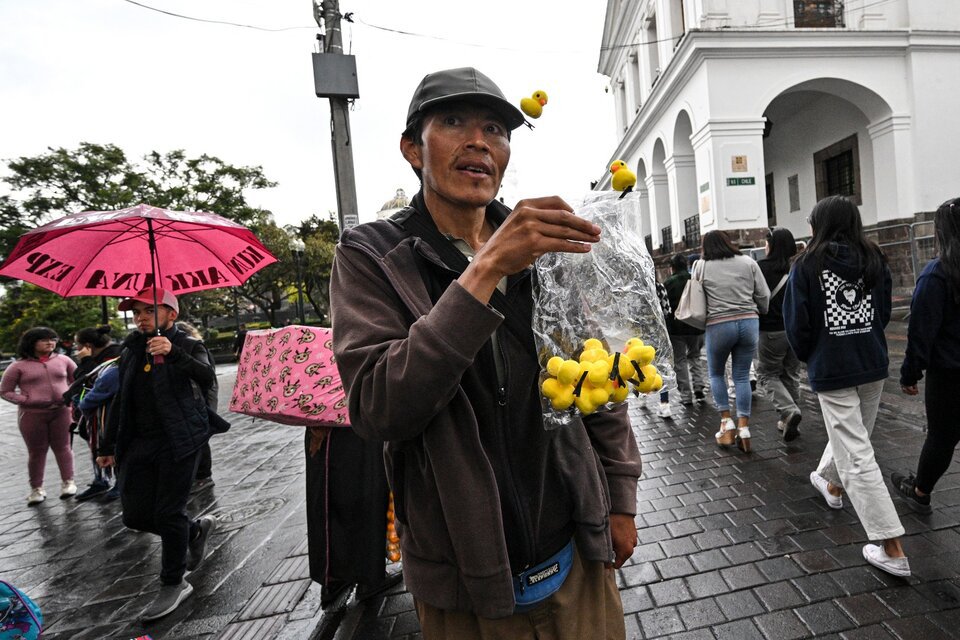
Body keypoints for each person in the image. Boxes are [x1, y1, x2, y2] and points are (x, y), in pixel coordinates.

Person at [329, 67, 642, 637]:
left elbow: (598, 380)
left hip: (575, 552)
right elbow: (378, 407)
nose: (479, 141)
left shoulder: (544, 244)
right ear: (412, 149)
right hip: (463, 581)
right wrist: (488, 267)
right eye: (452, 122)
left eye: (496, 129)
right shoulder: (373, 255)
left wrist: (620, 495)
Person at [784, 195, 908, 577]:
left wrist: (813, 354)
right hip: (870, 362)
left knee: (855, 452)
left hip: (833, 366)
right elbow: (883, 311)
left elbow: (797, 323)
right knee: (856, 440)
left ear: (818, 224)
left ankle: (892, 546)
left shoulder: (806, 264)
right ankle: (831, 487)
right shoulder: (874, 258)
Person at [96, 288, 226, 621]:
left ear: (171, 314)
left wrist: (173, 354)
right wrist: (107, 446)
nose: (140, 318)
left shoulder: (187, 344)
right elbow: (121, 400)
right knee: (135, 516)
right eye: (136, 312)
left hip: (180, 440)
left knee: (168, 512)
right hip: (139, 443)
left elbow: (207, 377)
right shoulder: (131, 350)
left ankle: (174, 581)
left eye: (148, 311)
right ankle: (194, 531)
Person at [892, 197, 960, 514]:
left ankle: (920, 492)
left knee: (942, 437)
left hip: (949, 375)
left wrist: (910, 374)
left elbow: (921, 331)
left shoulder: (937, 274)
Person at [697, 230, 769, 453]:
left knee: (717, 374)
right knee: (741, 376)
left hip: (718, 325)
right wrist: (761, 311)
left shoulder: (701, 266)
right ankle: (744, 428)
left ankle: (726, 424)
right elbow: (763, 294)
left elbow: (696, 296)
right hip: (749, 323)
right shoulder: (748, 262)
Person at [1, 327, 77, 505]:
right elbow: (5, 391)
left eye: (53, 339)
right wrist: (26, 400)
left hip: (61, 412)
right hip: (32, 415)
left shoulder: (64, 360)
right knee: (36, 452)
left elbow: (78, 380)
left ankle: (69, 482)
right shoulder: (17, 366)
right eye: (44, 340)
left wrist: (71, 398)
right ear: (31, 343)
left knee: (64, 447)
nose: (50, 343)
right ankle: (36, 489)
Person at [64, 325, 122, 501]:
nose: (76, 349)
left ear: (88, 345)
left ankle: (120, 483)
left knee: (113, 447)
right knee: (97, 446)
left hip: (106, 413)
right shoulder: (102, 356)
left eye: (78, 345)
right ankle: (101, 480)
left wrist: (86, 361)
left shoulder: (114, 356)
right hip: (93, 416)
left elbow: (93, 380)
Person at [756, 229, 803, 442]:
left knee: (767, 375)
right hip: (795, 329)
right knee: (791, 373)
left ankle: (789, 410)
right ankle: (788, 419)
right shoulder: (798, 266)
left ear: (772, 246)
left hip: (770, 330)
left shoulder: (760, 268)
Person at [177, 321, 217, 492]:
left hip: (202, 398)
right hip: (189, 400)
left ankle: (203, 475)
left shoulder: (195, 347)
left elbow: (207, 377)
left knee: (201, 436)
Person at [663, 254, 706, 408]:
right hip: (696, 326)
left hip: (677, 328)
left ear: (672, 267)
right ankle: (699, 388)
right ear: (686, 264)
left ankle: (686, 396)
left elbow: (665, 307)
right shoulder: (694, 280)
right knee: (695, 356)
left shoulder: (668, 283)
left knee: (680, 361)